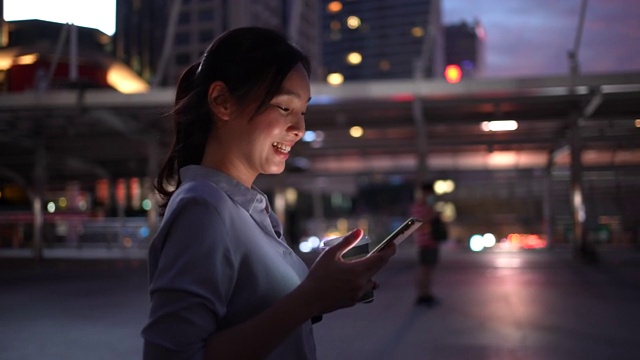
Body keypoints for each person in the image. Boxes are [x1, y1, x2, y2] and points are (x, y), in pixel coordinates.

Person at [141, 27, 396, 360]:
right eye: (283, 108)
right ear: (221, 102)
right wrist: (310, 297)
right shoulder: (203, 208)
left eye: (303, 111)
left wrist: (324, 293)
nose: (300, 129)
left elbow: (252, 314)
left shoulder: (246, 207)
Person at [410, 181, 444, 307]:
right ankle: (422, 294)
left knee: (429, 270)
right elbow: (419, 224)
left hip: (432, 242)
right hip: (425, 243)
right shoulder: (418, 207)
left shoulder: (429, 206)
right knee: (424, 269)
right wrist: (433, 215)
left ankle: (427, 293)